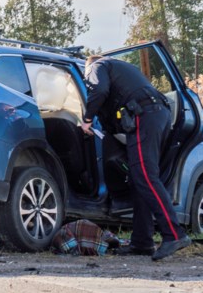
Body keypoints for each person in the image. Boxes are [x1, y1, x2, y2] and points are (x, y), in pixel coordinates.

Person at [80, 54, 192, 261]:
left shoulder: (97, 66)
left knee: (145, 176)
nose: (88, 81)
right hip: (156, 114)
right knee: (138, 179)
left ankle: (175, 235)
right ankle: (142, 242)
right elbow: (111, 111)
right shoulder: (121, 69)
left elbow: (99, 90)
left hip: (144, 115)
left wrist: (87, 119)